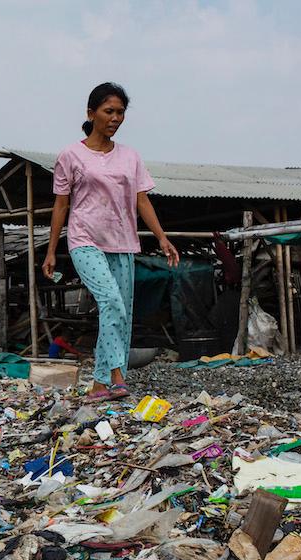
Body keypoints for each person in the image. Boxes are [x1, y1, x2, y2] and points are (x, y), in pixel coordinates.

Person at [42, 82, 179, 403]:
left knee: (121, 312)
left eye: (120, 112)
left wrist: (161, 237)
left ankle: (102, 385)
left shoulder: (130, 157)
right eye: (109, 111)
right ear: (91, 114)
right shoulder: (70, 155)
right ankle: (113, 376)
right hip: (84, 239)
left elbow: (142, 201)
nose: (115, 118)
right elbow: (61, 205)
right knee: (111, 302)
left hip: (124, 243)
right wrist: (50, 251)